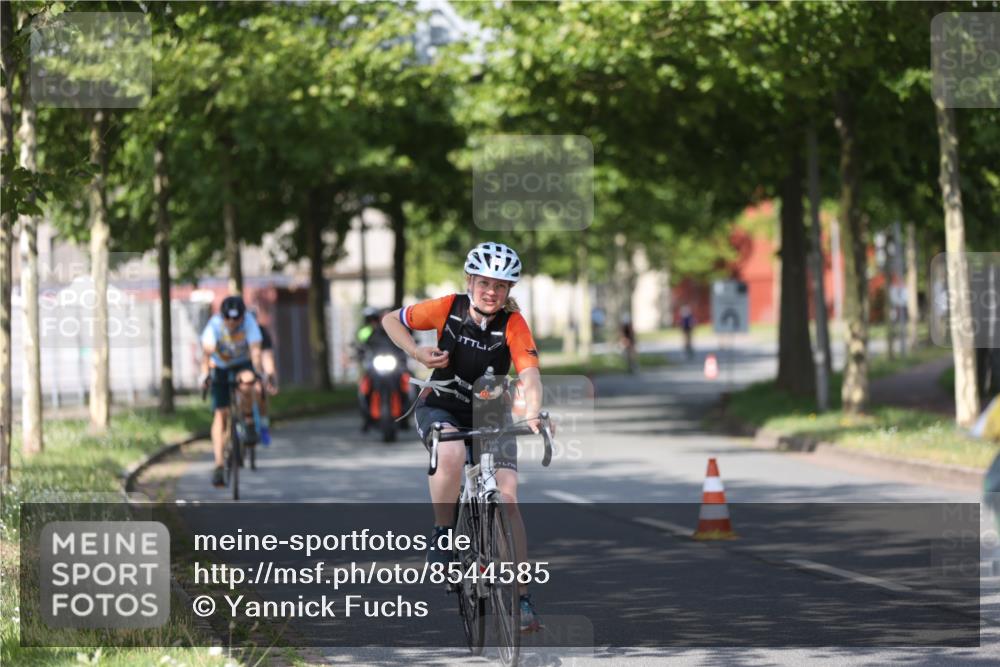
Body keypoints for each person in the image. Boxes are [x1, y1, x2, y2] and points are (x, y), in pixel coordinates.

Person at [382, 242, 546, 632]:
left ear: (509, 292)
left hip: (490, 409)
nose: (492, 292)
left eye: (501, 286)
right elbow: (392, 320)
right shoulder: (447, 307)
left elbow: (530, 375)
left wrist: (535, 409)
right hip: (441, 402)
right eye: (485, 283)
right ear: (470, 281)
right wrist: (415, 352)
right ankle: (442, 533)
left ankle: (522, 599)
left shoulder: (514, 324)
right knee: (452, 452)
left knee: (507, 498)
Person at [200, 295, 269, 487]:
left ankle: (248, 420)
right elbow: (206, 352)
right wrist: (204, 374)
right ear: (222, 316)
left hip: (242, 363)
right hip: (220, 366)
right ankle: (219, 466)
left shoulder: (249, 323)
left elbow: (255, 351)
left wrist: (258, 371)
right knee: (220, 415)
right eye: (228, 318)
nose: (232, 322)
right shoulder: (214, 326)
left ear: (242, 316)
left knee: (248, 382)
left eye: (236, 318)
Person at [250, 308, 280, 445]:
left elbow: (267, 356)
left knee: (260, 393)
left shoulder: (262, 332)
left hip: (257, 368)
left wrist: (270, 377)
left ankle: (263, 427)